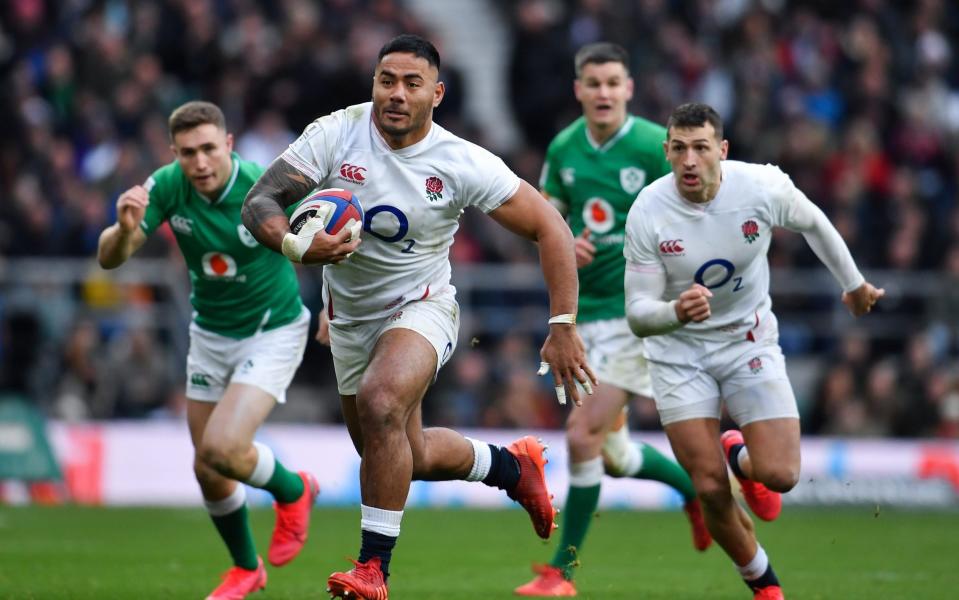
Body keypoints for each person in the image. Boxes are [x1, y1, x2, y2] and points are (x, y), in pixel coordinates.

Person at [241, 34, 597, 600]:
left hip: (422, 306)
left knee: (382, 402)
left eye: (412, 84)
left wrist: (562, 325)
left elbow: (549, 226)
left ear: (437, 93)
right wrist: (294, 246)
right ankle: (512, 467)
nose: (397, 94)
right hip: (351, 319)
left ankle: (372, 570)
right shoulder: (336, 132)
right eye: (387, 80)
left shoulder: (459, 161)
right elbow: (260, 201)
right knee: (406, 453)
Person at [623, 103, 884, 600]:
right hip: (678, 353)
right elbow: (637, 311)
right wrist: (676, 311)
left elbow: (814, 222)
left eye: (701, 147)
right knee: (709, 489)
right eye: (679, 148)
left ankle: (738, 453)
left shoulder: (760, 187)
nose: (690, 160)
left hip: (748, 342)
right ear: (667, 152)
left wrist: (852, 284)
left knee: (781, 476)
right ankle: (765, 585)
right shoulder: (649, 211)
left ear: (722, 150)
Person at [97, 101, 319, 600]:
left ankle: (294, 489)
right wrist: (125, 229)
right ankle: (246, 568)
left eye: (208, 150)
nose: (199, 163)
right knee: (206, 466)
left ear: (229, 145)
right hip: (211, 334)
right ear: (174, 153)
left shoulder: (263, 186)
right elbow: (111, 258)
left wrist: (332, 306)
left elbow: (320, 238)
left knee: (222, 448)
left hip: (272, 328)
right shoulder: (168, 185)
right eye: (188, 153)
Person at [515, 42, 711, 597]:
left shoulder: (654, 147)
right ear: (578, 89)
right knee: (615, 455)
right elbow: (546, 217)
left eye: (613, 83)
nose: (603, 92)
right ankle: (697, 491)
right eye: (593, 83)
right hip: (583, 317)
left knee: (581, 435)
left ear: (629, 88)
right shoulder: (564, 147)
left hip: (637, 316)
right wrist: (560, 240)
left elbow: (697, 215)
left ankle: (563, 573)